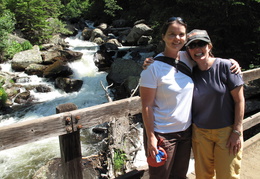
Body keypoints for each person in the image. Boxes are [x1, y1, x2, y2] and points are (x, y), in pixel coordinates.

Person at [139, 17, 241, 179]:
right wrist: (151, 137)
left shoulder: (188, 58)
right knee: (160, 176)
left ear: (185, 37)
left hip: (186, 132)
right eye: (172, 34)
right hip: (163, 134)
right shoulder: (152, 68)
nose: (177, 38)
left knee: (179, 175)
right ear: (163, 36)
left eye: (181, 34)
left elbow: (208, 58)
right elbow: (146, 106)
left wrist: (231, 62)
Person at [186, 29, 244, 179]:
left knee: (228, 175)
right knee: (203, 175)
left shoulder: (227, 67)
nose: (197, 49)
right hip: (200, 133)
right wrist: (150, 62)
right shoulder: (189, 71)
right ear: (188, 50)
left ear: (209, 46)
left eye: (202, 44)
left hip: (226, 132)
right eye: (193, 46)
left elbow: (239, 100)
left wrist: (237, 131)